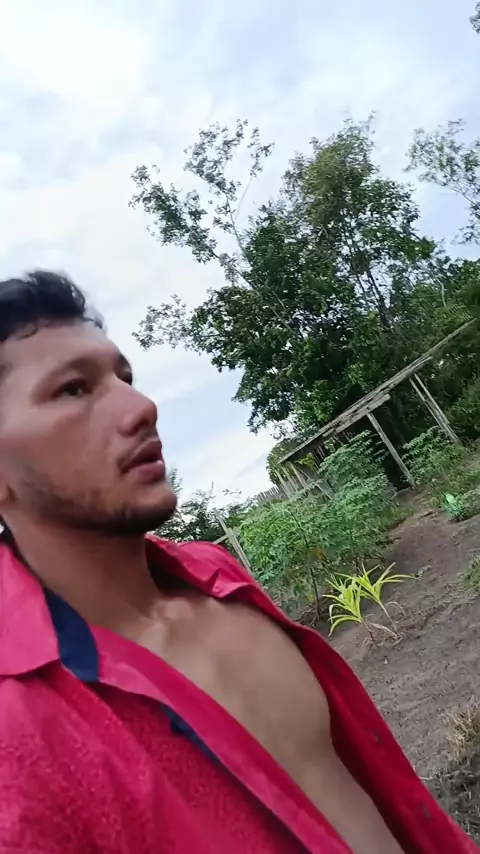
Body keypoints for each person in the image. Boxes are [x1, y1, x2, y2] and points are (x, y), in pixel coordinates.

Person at [0, 271, 475, 854]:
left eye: (125, 377)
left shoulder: (217, 577)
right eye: (73, 389)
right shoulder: (21, 738)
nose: (141, 407)